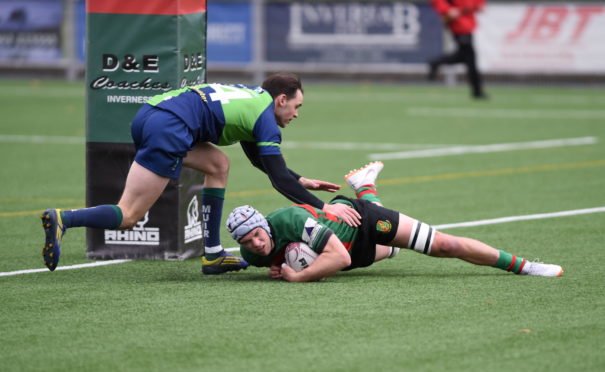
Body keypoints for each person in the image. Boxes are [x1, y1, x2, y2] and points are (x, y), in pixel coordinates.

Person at [40, 73, 361, 274]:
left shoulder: (253, 101)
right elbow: (277, 179)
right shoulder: (265, 118)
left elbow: (259, 161)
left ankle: (212, 255)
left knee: (218, 164)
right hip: (171, 128)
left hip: (151, 114)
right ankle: (65, 219)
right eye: (296, 106)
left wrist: (300, 179)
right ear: (281, 100)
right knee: (129, 215)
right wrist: (324, 207)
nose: (296, 114)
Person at [226, 161, 563, 282]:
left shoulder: (290, 219)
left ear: (265, 226)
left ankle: (523, 266)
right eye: (247, 243)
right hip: (353, 256)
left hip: (361, 223)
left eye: (255, 235)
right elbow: (340, 261)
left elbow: (337, 259)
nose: (254, 244)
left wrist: (296, 278)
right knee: (395, 251)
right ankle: (366, 185)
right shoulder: (253, 255)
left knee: (443, 245)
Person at [428, 0, 487, 99]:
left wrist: (478, 5)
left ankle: (436, 62)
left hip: (467, 25)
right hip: (459, 26)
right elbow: (441, 4)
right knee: (470, 58)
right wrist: (447, 10)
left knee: (465, 57)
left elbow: (474, 4)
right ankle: (477, 91)